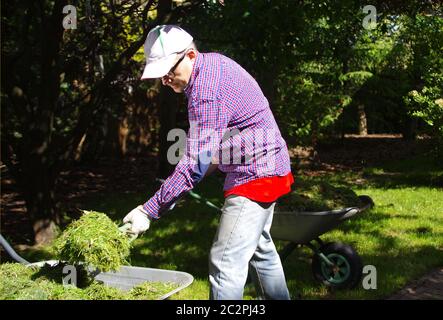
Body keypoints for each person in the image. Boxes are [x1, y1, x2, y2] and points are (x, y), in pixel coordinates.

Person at [123, 25, 294, 300]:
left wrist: (149, 210)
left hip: (256, 175)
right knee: (261, 252)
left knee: (225, 262)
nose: (165, 79)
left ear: (190, 55)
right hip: (269, 165)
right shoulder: (211, 65)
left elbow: (194, 163)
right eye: (160, 74)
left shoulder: (206, 91)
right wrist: (181, 184)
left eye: (169, 70)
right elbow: (213, 152)